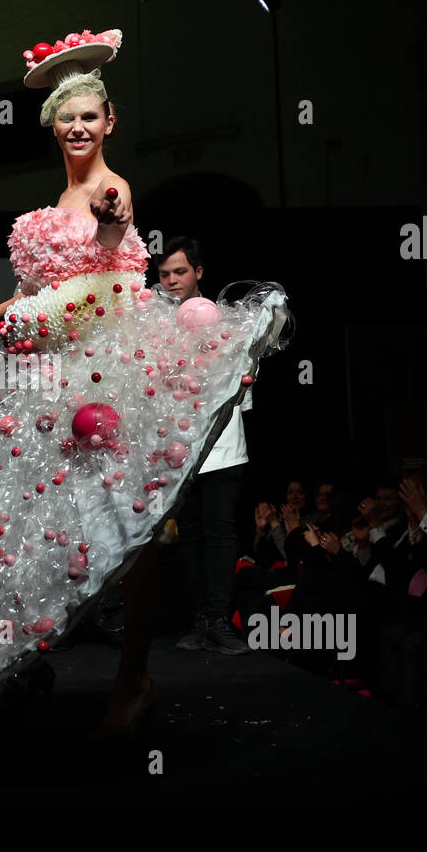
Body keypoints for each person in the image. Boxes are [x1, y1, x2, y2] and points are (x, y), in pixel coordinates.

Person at [0, 27, 289, 742]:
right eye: (67, 117)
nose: (78, 127)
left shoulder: (112, 190)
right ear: (53, 124)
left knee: (125, 530)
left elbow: (110, 284)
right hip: (51, 386)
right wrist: (4, 311)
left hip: (107, 382)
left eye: (90, 116)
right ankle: (24, 664)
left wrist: (77, 262)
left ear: (111, 122)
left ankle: (134, 677)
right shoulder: (60, 193)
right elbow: (49, 287)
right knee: (27, 531)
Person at [157, 237, 250, 657]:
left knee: (219, 532)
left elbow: (242, 391)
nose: (173, 280)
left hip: (223, 445)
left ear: (198, 272)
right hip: (176, 450)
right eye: (165, 274)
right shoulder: (154, 325)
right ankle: (199, 620)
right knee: (189, 535)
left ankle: (218, 620)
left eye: (180, 271)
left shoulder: (225, 321)